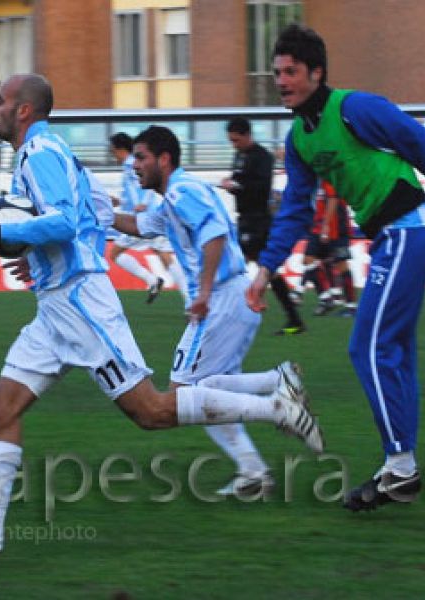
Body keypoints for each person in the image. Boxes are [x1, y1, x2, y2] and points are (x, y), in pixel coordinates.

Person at [0, 73, 323, 559]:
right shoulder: (50, 153)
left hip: (79, 303)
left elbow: (66, 222)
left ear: (23, 110)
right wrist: (38, 258)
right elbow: (94, 215)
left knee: (151, 411)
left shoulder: (41, 153)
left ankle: (276, 407)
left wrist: (4, 235)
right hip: (54, 306)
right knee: (0, 408)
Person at [245, 24, 425, 512]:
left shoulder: (355, 108)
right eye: (277, 73)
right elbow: (294, 210)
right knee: (395, 351)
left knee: (368, 348)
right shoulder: (299, 138)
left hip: (408, 231)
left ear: (317, 73)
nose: (281, 81)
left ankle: (401, 468)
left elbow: (421, 143)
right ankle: (401, 464)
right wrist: (266, 270)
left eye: (291, 72)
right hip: (395, 237)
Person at [115, 124, 281, 497]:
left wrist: (203, 293)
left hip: (220, 300)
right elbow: (140, 225)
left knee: (183, 396)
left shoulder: (181, 192)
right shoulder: (175, 196)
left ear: (164, 159)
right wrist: (97, 213)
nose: (134, 165)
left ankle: (277, 401)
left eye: (141, 158)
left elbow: (214, 234)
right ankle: (255, 463)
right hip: (230, 297)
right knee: (206, 395)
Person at [220, 117, 306, 335]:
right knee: (264, 269)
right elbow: (240, 179)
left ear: (247, 135)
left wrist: (236, 186)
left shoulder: (262, 157)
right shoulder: (240, 155)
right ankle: (292, 317)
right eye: (231, 141)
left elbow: (261, 187)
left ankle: (230, 312)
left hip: (258, 220)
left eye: (236, 140)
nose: (234, 145)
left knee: (238, 265)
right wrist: (231, 183)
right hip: (244, 218)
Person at [108, 132, 187, 303]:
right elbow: (135, 191)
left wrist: (142, 204)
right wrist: (120, 201)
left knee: (115, 253)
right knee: (164, 255)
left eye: (113, 151)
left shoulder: (131, 164)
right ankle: (188, 297)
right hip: (150, 217)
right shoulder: (134, 164)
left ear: (120, 149)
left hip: (142, 219)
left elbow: (145, 186)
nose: (113, 156)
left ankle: (152, 280)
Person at [294, 181, 357, 317]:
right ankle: (326, 298)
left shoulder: (331, 179)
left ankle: (351, 306)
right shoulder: (317, 182)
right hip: (318, 228)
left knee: (341, 265)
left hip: (337, 229)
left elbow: (333, 199)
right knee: (308, 259)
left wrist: (326, 225)